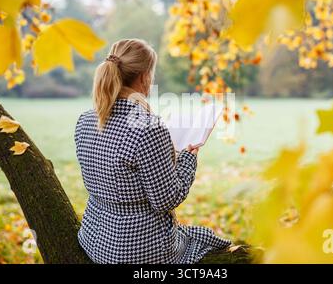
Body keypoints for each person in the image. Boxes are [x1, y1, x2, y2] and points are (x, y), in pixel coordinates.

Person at [74, 38, 231, 263]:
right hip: (138, 250)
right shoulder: (148, 128)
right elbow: (167, 199)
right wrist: (188, 158)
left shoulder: (86, 120)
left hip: (95, 239)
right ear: (144, 77)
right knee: (205, 239)